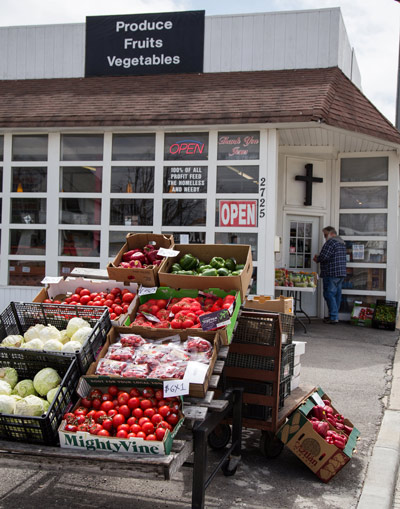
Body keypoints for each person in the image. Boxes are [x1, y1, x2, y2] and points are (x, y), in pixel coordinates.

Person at [313, 226, 347, 324]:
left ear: (331, 233)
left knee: (329, 294)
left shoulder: (331, 242)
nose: (324, 237)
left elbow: (324, 256)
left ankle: (333, 317)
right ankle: (334, 315)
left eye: (325, 234)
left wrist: (317, 258)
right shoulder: (342, 243)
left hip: (331, 272)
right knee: (337, 295)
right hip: (341, 273)